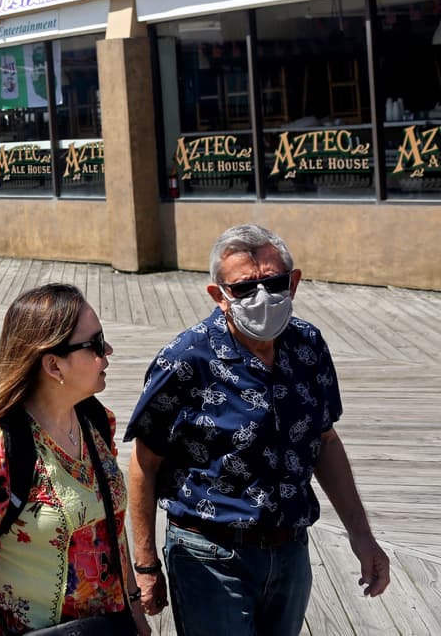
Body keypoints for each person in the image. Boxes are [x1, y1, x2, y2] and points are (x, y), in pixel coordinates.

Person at [125, 224, 390, 636]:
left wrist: (362, 535)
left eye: (274, 282)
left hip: (290, 549)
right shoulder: (185, 359)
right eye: (245, 289)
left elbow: (325, 440)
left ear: (294, 282)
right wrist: (145, 565)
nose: (263, 297)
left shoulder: (308, 346)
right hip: (208, 555)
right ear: (219, 295)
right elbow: (145, 463)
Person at [0, 283, 148, 636]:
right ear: (54, 366)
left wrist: (135, 608)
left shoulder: (96, 422)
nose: (109, 351)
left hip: (107, 628)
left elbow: (110, 528)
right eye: (96, 345)